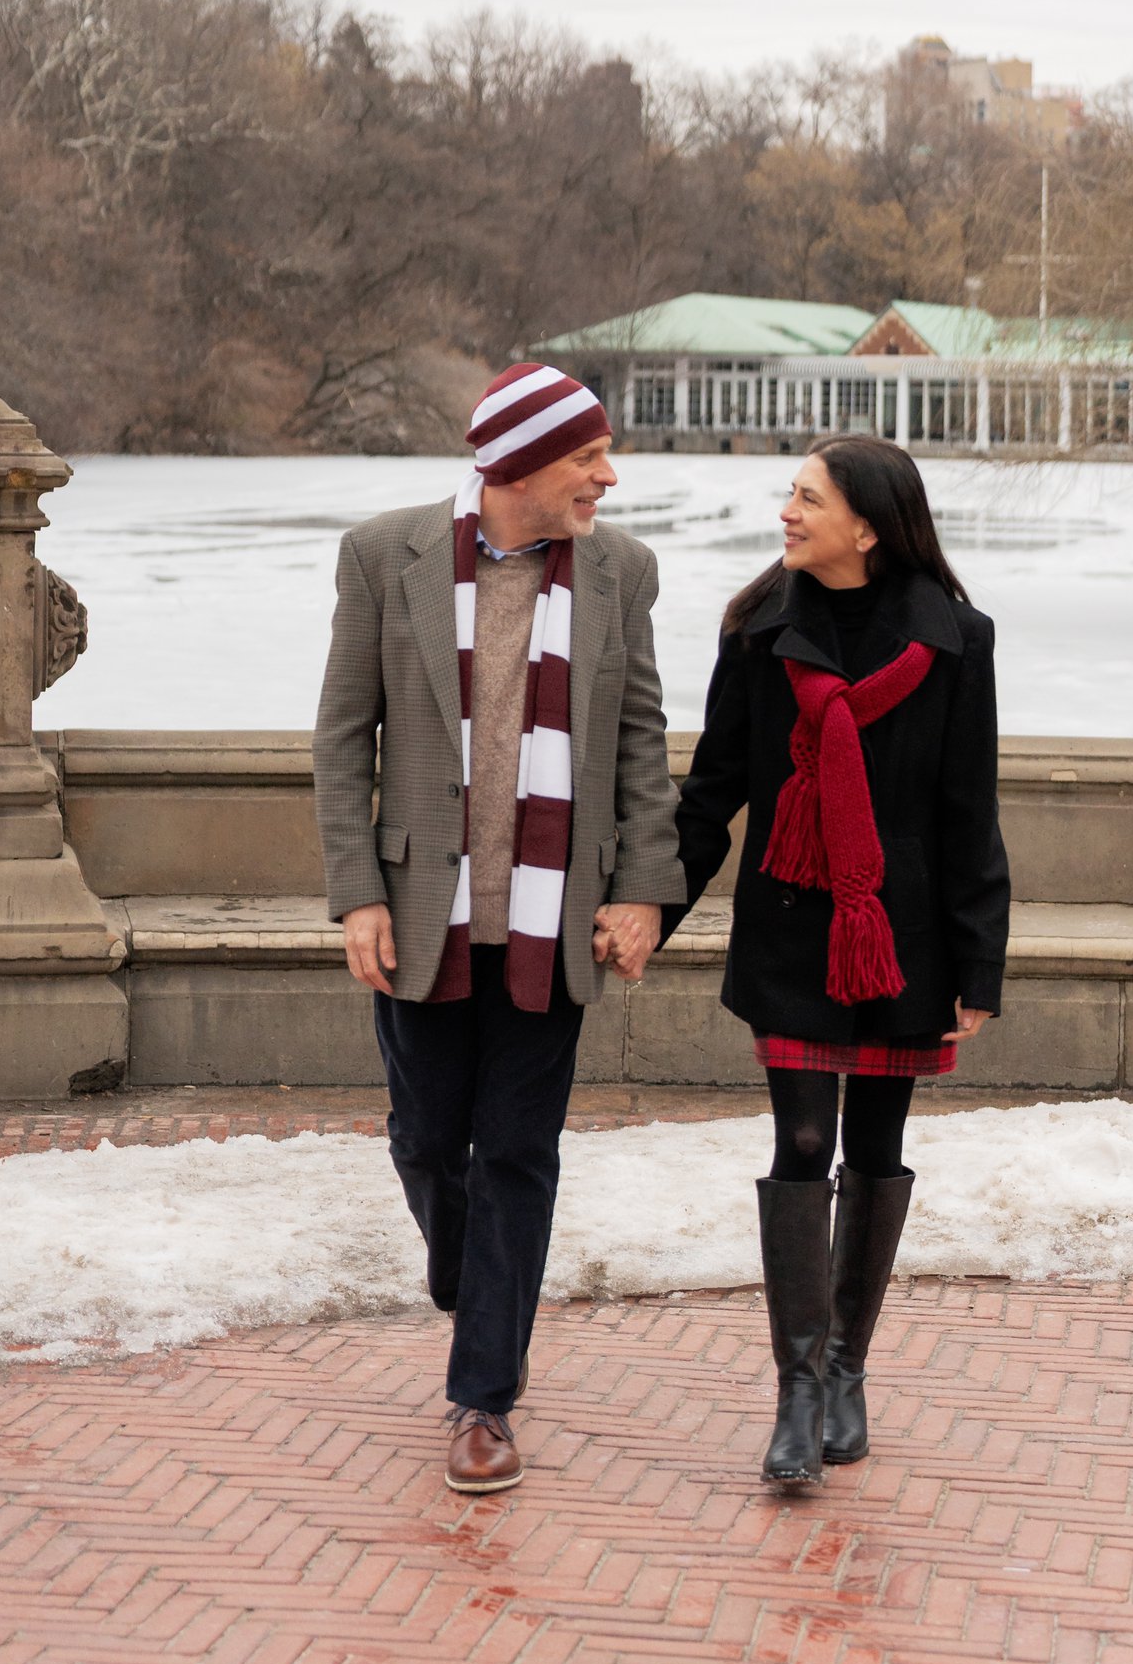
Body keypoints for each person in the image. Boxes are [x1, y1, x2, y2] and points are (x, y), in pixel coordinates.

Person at [314, 363, 686, 1496]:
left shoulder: (622, 571)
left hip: (552, 915)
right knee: (429, 1142)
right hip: (422, 911)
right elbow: (343, 738)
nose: (608, 478)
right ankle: (471, 1270)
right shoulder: (384, 556)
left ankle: (484, 1400)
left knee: (517, 1154)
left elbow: (639, 741)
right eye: (588, 457)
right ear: (521, 464)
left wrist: (644, 890)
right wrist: (357, 893)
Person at [670, 434, 1009, 1490]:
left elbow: (968, 811)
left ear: (867, 526)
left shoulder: (956, 641)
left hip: (901, 938)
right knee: (804, 1138)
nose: (787, 511)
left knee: (874, 1140)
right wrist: (647, 908)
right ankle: (798, 1391)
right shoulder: (758, 632)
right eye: (791, 494)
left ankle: (848, 1369)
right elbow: (713, 790)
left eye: (807, 498)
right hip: (791, 931)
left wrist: (979, 965)